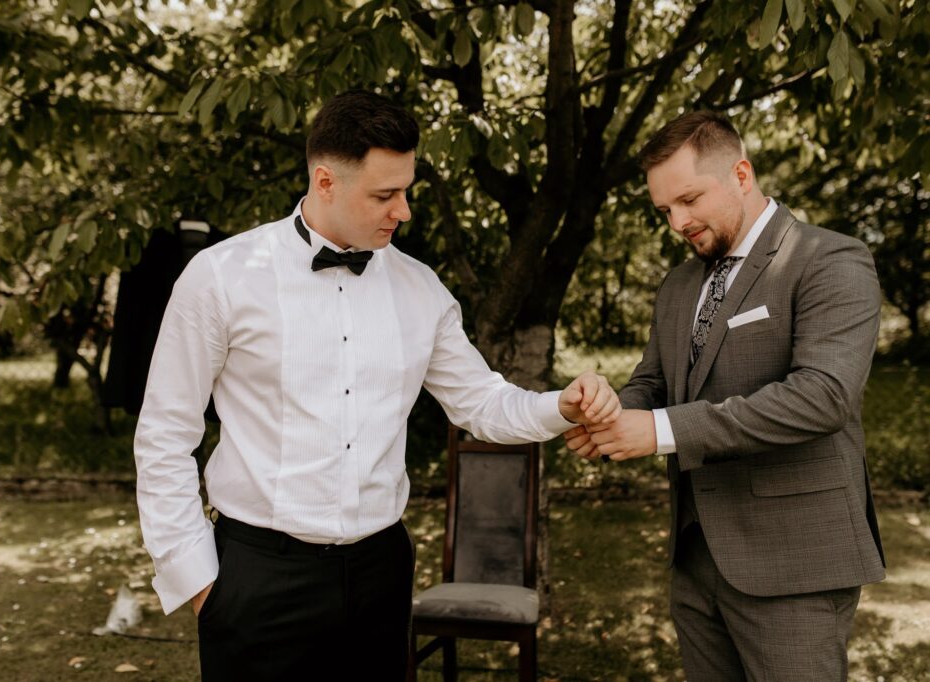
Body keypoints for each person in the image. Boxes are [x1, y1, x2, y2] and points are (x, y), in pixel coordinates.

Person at [134, 90, 621, 681]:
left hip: (381, 574)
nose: (404, 211)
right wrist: (199, 582)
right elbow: (165, 433)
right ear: (325, 181)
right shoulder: (220, 277)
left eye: (406, 190)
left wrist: (562, 406)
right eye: (385, 195)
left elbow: (483, 403)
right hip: (258, 579)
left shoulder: (421, 289)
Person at [564, 110, 885, 681]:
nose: (677, 222)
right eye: (664, 210)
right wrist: (607, 413)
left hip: (794, 565)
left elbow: (822, 396)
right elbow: (653, 382)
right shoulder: (679, 283)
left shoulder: (829, 259)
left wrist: (659, 431)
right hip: (695, 559)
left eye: (689, 200)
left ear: (741, 175)